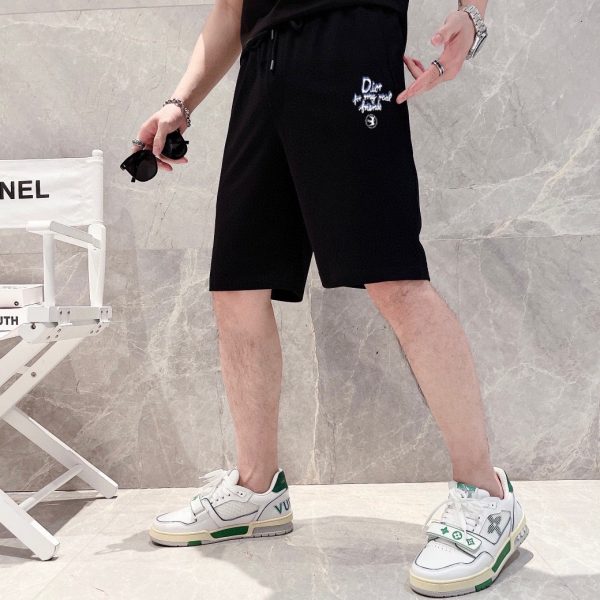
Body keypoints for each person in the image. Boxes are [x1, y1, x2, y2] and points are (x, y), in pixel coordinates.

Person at [132, 0, 528, 596]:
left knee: (395, 280)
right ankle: (256, 490)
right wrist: (181, 102)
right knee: (236, 289)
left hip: (349, 44)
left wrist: (471, 15)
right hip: (262, 69)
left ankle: (487, 497)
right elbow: (231, 9)